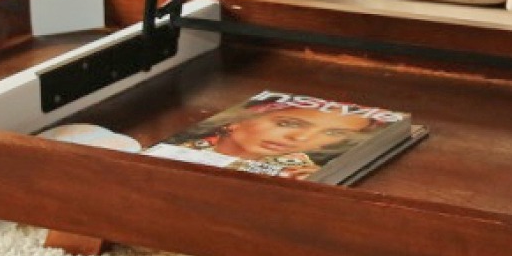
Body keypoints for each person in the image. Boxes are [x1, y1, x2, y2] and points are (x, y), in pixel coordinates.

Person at [162, 95, 394, 177]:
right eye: (286, 123)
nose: (301, 139)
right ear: (237, 121)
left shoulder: (304, 173)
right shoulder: (172, 153)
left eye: (333, 133)